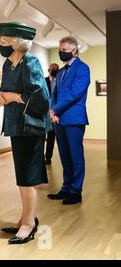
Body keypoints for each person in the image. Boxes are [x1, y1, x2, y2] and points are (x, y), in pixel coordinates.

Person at [0, 22, 51, 245]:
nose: (1, 45)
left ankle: (29, 224)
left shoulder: (31, 62)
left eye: (5, 41)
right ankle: (24, 219)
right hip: (16, 125)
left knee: (27, 176)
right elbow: (4, 89)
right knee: (22, 175)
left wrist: (14, 97)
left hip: (31, 128)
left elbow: (42, 100)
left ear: (17, 43)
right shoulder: (8, 64)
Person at [48, 36, 91, 205]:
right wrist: (53, 111)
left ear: (74, 51)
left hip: (74, 119)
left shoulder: (83, 69)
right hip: (58, 119)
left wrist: (56, 109)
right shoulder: (60, 71)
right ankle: (66, 188)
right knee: (64, 156)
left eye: (64, 50)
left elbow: (75, 94)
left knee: (75, 156)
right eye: (60, 50)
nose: (61, 53)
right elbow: (54, 93)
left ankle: (76, 191)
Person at [45, 63, 60, 165]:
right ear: (48, 70)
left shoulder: (61, 81)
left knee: (51, 137)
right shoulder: (43, 81)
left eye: (55, 69)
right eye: (51, 69)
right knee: (42, 136)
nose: (53, 71)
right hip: (44, 112)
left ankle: (48, 157)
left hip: (55, 112)